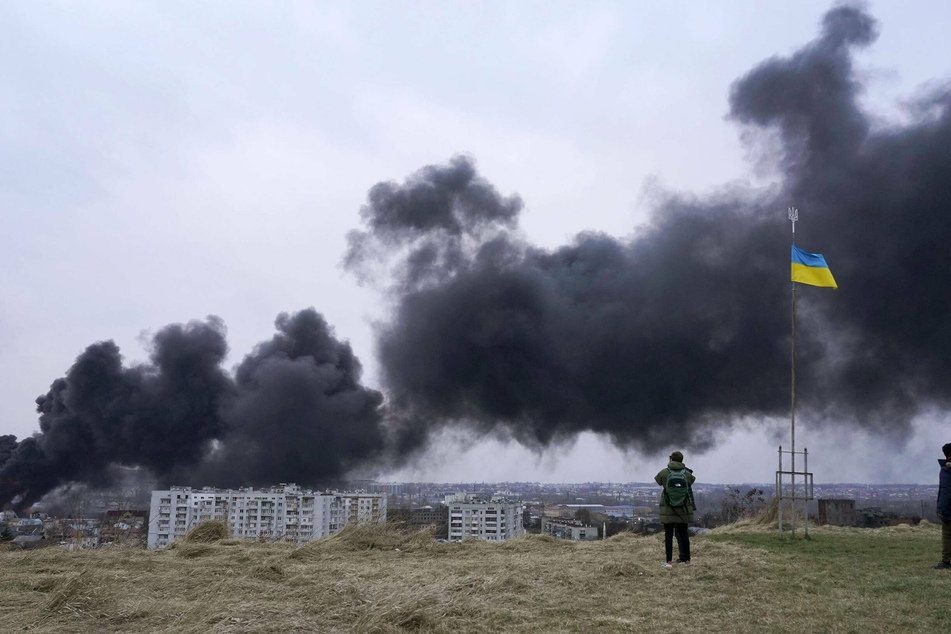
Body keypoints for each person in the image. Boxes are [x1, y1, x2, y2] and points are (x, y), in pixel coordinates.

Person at [655, 450, 696, 568]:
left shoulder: (664, 473)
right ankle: (687, 560)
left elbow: (658, 481)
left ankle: (668, 562)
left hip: (668, 509)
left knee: (668, 535)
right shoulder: (687, 474)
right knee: (684, 534)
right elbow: (692, 480)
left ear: (671, 459)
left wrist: (669, 464)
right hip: (683, 509)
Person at [935, 443, 951, 570]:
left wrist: (942, 510)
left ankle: (946, 561)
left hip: (949, 509)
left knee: (947, 535)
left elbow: (946, 491)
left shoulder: (946, 470)